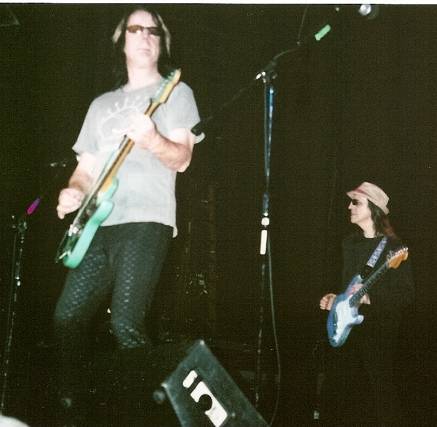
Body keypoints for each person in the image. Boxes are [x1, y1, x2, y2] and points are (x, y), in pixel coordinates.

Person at [53, 6, 204, 426]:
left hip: (145, 220)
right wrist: (72, 192)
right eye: (135, 29)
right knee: (66, 318)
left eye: (154, 30)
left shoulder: (175, 92)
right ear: (121, 40)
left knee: (126, 323)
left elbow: (182, 159)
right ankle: (80, 411)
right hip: (97, 225)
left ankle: (145, 416)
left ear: (162, 42)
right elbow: (85, 170)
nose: (145, 35)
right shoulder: (101, 105)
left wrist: (152, 139)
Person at [319, 182, 414, 427]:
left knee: (381, 394)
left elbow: (406, 294)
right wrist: (334, 300)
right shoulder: (349, 244)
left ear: (373, 209)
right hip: (348, 331)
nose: (349, 206)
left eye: (356, 202)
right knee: (338, 392)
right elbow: (347, 288)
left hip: (379, 330)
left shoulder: (394, 248)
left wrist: (371, 298)